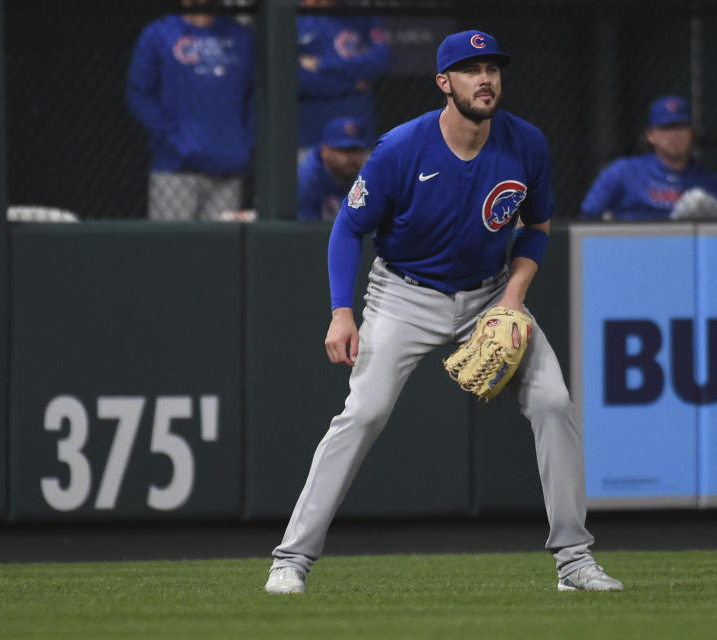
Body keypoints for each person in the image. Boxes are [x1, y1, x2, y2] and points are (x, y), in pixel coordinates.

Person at [265, 30, 624, 595]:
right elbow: (348, 227)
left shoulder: (525, 143)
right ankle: (291, 559)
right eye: (470, 69)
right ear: (443, 83)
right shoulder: (401, 148)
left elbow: (537, 226)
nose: (485, 79)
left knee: (554, 402)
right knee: (363, 415)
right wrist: (341, 311)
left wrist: (513, 297)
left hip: (490, 294)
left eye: (493, 69)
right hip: (404, 294)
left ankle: (575, 561)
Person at [126, 0, 255, 221]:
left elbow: (255, 96)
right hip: (176, 169)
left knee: (221, 251)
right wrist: (173, 137)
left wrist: (244, 140)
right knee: (171, 249)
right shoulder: (160, 33)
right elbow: (139, 93)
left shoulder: (240, 37)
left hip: (227, 167)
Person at [579, 95, 717, 221]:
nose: (674, 135)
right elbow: (588, 217)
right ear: (651, 135)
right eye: (666, 128)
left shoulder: (714, 182)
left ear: (692, 133)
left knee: (697, 201)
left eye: (680, 128)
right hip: (636, 251)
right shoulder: (623, 172)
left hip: (687, 256)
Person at [296, 0, 390, 160]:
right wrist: (352, 84)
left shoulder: (360, 14)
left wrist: (322, 65)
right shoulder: (291, 15)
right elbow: (298, 79)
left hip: (357, 135)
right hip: (309, 136)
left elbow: (379, 60)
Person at [297, 117, 371, 221]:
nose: (352, 158)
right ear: (324, 151)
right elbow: (303, 233)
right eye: (344, 150)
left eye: (357, 150)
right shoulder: (306, 181)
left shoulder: (365, 177)